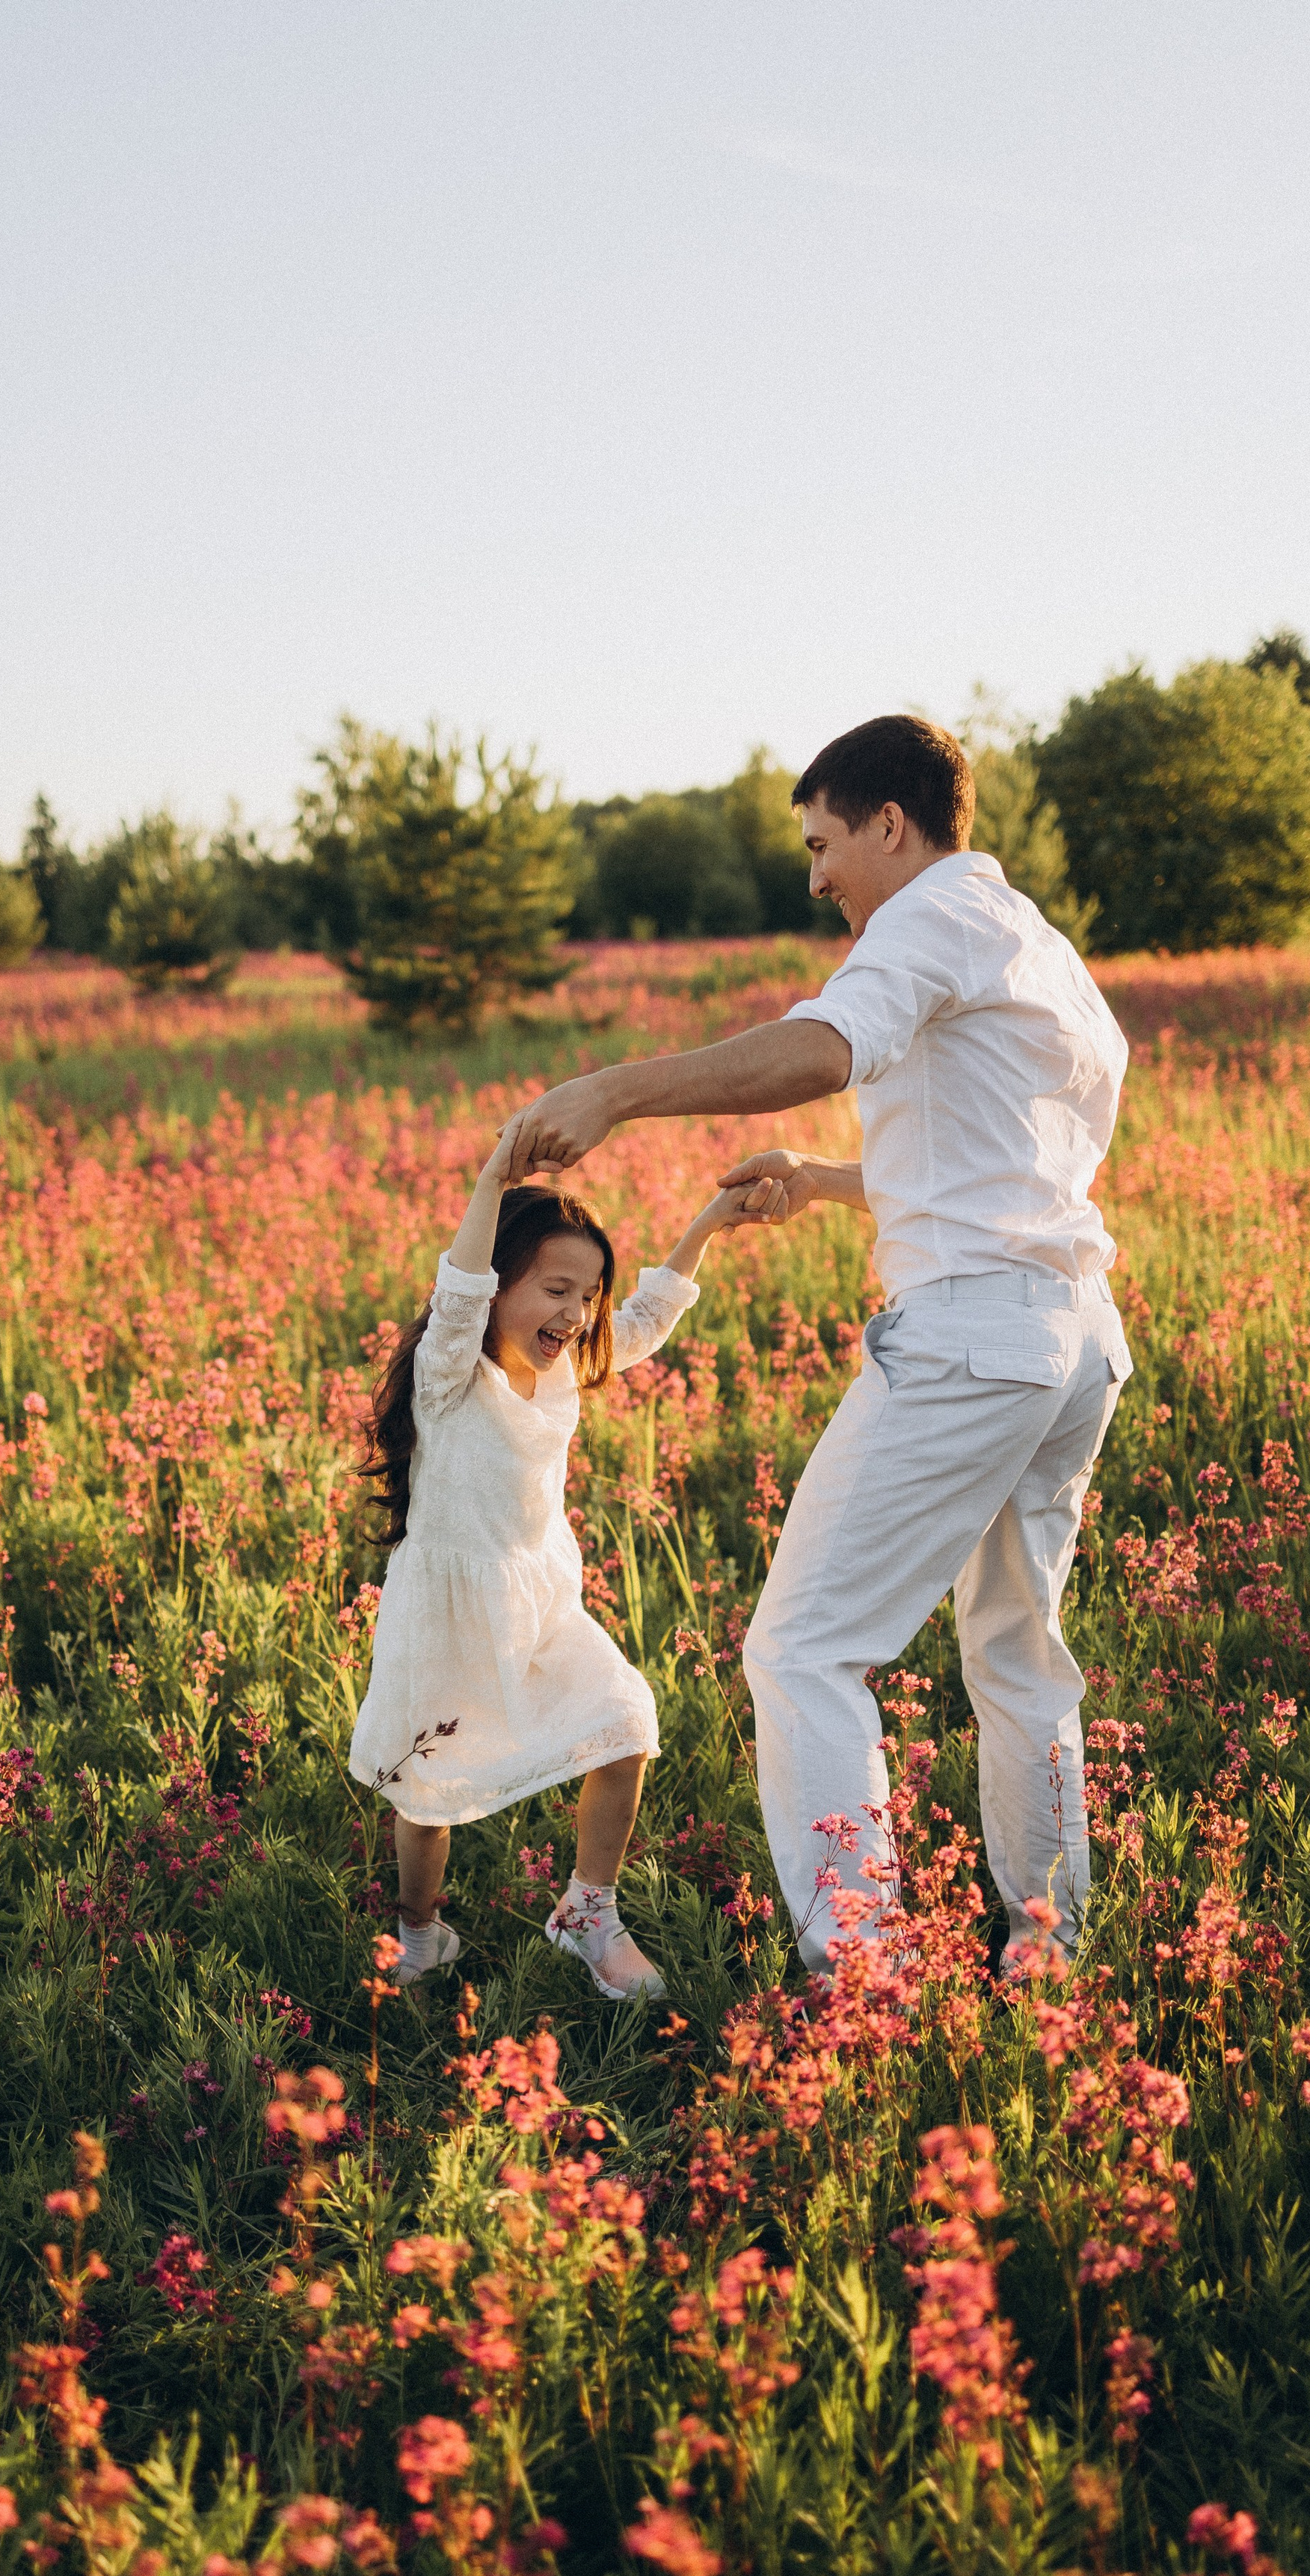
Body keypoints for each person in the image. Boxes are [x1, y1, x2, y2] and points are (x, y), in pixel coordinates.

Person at [505, 714, 1133, 1976]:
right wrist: (832, 1180)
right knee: (1020, 1655)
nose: (815, 878)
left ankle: (861, 1980)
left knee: (801, 1648)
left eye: (821, 844)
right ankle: (1048, 1950)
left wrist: (615, 1092)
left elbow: (820, 1048)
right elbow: (1004, 1158)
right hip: (1071, 1338)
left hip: (970, 1344)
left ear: (890, 824)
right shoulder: (1032, 937)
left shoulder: (927, 919)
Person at [349, 1111, 763, 1995]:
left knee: (626, 1725)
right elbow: (458, 1288)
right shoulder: (451, 1373)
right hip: (446, 1616)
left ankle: (587, 1913)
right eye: (555, 1289)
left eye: (587, 1294)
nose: (575, 1313)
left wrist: (707, 1225)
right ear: (499, 1285)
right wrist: (493, 1176)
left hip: (541, 1603)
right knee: (426, 1797)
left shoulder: (566, 1364)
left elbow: (644, 1320)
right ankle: (420, 1935)